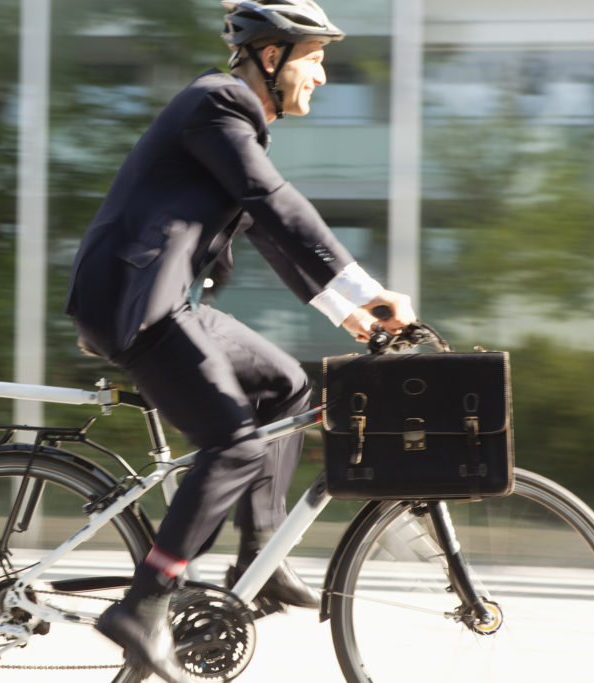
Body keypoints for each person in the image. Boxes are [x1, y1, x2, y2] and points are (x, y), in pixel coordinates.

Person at [64, 1, 416, 680]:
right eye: (314, 60)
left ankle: (262, 556)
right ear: (273, 56)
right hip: (135, 304)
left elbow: (269, 232)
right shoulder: (216, 103)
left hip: (171, 305)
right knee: (234, 444)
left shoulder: (233, 123)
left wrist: (349, 314)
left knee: (287, 386)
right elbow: (277, 205)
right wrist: (365, 284)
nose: (320, 77)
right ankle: (144, 604)